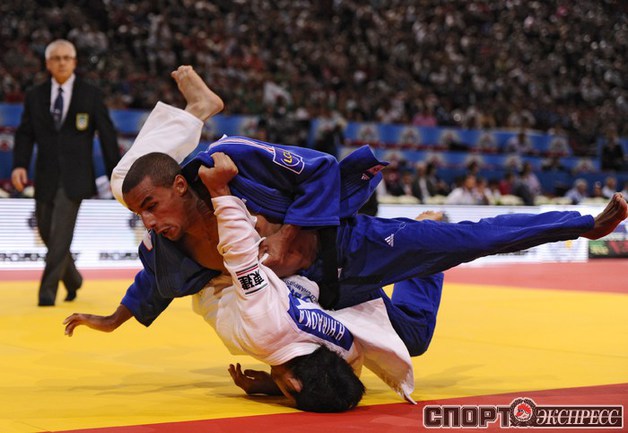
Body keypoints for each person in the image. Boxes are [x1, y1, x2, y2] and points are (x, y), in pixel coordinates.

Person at [63, 66, 627, 408]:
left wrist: (295, 236)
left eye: (152, 207)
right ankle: (424, 246)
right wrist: (112, 319)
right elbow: (156, 283)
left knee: (465, 241)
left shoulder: (230, 159)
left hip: (346, 251)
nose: (148, 222)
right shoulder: (168, 244)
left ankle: (575, 221)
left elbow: (321, 169)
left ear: (182, 187)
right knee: (412, 341)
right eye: (142, 214)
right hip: (320, 297)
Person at [12, 39, 121, 306]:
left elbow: (107, 134)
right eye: (56, 58)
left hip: (76, 176)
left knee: (60, 231)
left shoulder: (91, 94)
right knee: (46, 231)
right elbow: (25, 134)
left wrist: (115, 173)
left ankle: (46, 293)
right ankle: (72, 279)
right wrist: (19, 164)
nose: (62, 62)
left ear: (74, 62)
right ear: (48, 64)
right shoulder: (35, 95)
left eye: (66, 58)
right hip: (45, 174)